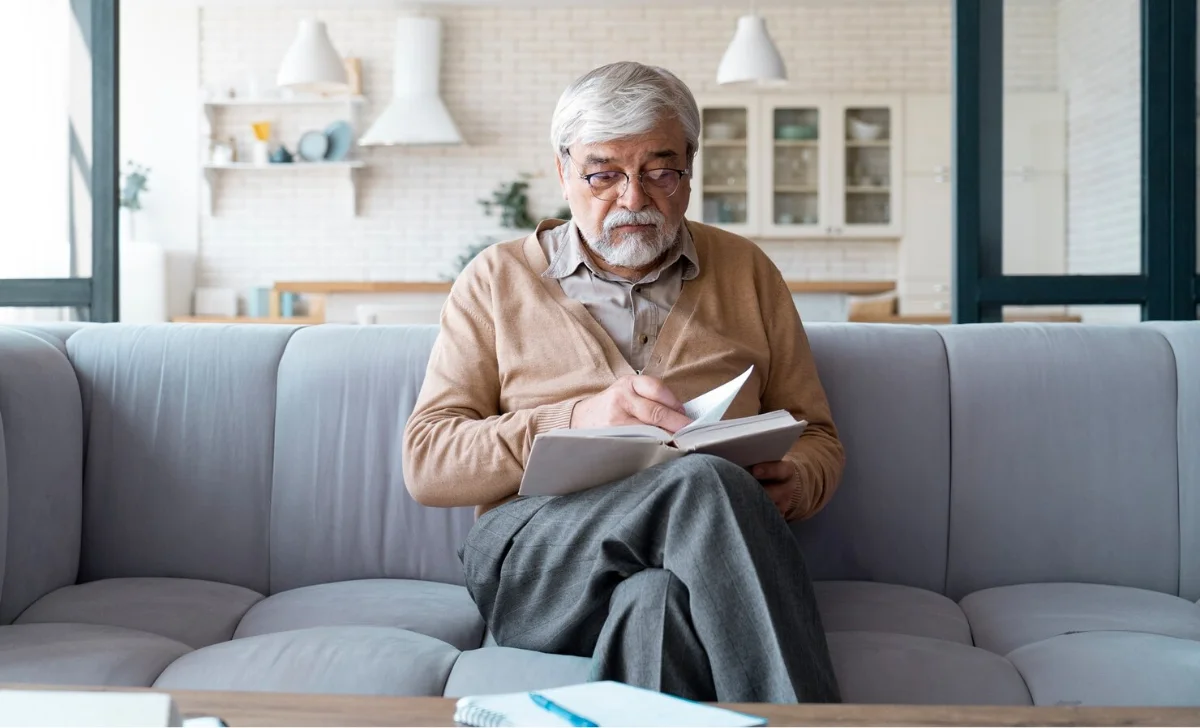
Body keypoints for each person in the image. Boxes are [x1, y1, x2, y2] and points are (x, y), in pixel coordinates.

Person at [402, 61, 844, 704]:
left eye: (660, 172)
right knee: (700, 481)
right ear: (563, 172)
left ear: (690, 166)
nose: (633, 199)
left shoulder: (747, 272)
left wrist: (798, 480)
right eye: (603, 174)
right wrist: (572, 420)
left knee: (656, 602)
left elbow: (818, 436)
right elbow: (428, 461)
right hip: (540, 560)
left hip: (699, 563)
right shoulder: (495, 280)